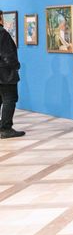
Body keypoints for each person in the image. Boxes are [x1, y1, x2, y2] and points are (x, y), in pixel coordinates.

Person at [0, 10, 25, 139]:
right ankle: (5, 129)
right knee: (10, 98)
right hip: (5, 74)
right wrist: (16, 65)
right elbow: (7, 55)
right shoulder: (2, 33)